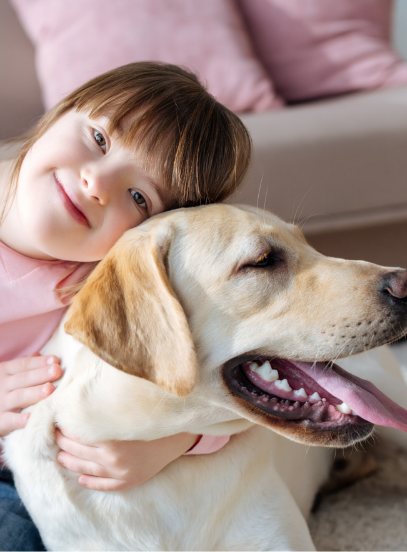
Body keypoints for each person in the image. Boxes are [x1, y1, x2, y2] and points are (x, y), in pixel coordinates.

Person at [0, 61, 252, 551]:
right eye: (99, 139)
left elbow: (229, 393)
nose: (97, 182)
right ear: (60, 112)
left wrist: (168, 445)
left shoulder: (113, 290)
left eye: (138, 196)